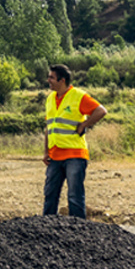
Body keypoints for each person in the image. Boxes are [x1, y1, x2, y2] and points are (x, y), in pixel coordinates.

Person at [43, 64, 106, 219]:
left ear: (62, 80)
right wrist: (46, 151)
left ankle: (78, 231)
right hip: (55, 155)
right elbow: (49, 127)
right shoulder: (50, 98)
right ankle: (45, 228)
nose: (48, 80)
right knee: (50, 195)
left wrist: (84, 124)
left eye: (51, 77)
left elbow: (101, 111)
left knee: (74, 196)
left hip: (75, 155)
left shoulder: (78, 96)